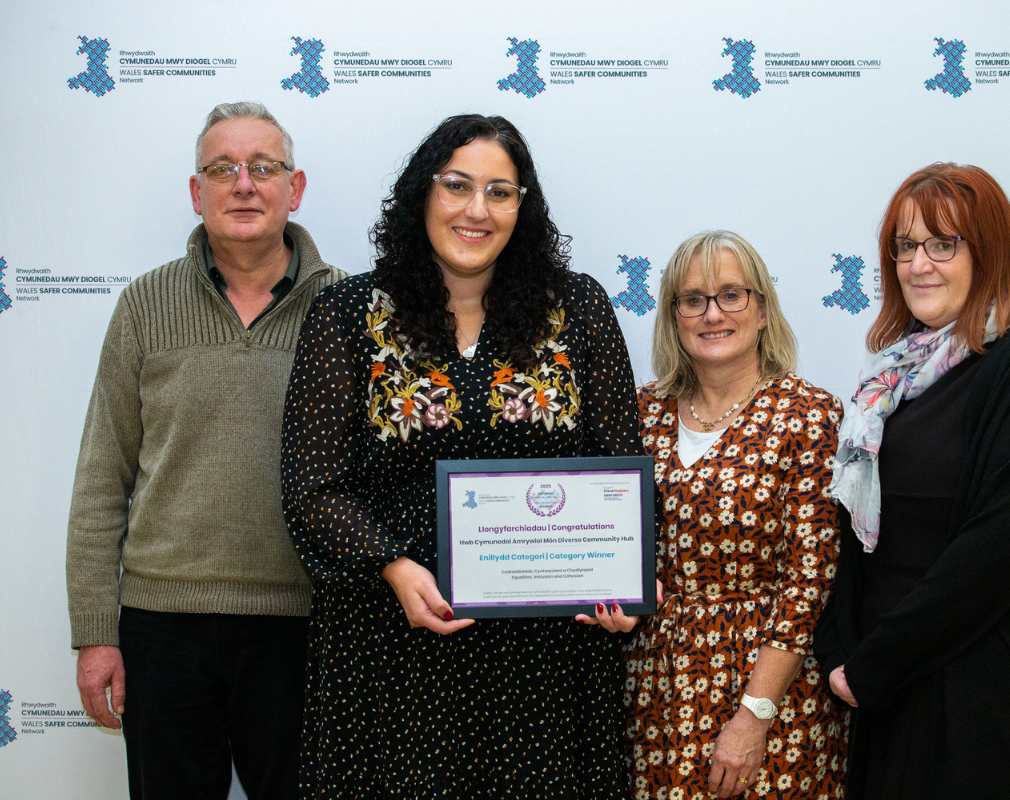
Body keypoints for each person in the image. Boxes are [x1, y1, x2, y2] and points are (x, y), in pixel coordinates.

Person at [280, 113, 640, 798]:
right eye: (457, 185)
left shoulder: (579, 309)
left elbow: (620, 467)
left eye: (500, 192)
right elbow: (311, 486)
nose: (477, 210)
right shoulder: (347, 315)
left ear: (522, 208)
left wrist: (622, 579)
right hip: (390, 654)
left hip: (545, 665)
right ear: (423, 192)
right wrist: (392, 565)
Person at [65, 101, 346, 799]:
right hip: (163, 629)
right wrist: (96, 633)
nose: (243, 184)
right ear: (197, 193)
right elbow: (102, 478)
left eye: (263, 167)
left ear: (295, 187)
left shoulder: (348, 309)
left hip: (308, 628)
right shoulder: (144, 305)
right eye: (222, 169)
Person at [815, 163, 1010, 799]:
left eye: (942, 244)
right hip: (902, 689)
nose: (918, 264)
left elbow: (1000, 550)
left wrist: (875, 664)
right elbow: (867, 537)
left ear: (989, 252)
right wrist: (840, 646)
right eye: (905, 246)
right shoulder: (894, 380)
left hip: (1006, 697)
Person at [624, 231, 848, 800]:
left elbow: (809, 582)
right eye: (692, 299)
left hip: (768, 697)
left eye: (731, 295)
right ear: (673, 317)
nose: (712, 314)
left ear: (763, 309)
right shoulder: (641, 412)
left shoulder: (808, 415)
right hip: (653, 689)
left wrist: (755, 714)